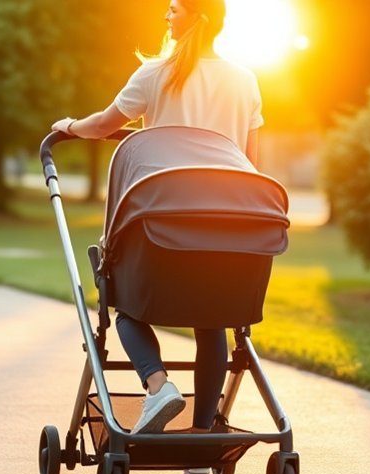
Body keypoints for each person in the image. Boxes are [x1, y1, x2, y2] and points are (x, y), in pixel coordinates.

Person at [51, 0, 263, 440]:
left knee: (124, 306)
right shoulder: (245, 81)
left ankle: (157, 384)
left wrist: (68, 125)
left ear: (189, 16)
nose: (166, 15)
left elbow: (103, 124)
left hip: (163, 230)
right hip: (226, 232)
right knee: (213, 323)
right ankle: (203, 435)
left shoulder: (156, 73)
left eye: (173, 8)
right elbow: (252, 164)